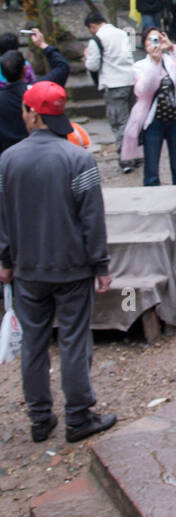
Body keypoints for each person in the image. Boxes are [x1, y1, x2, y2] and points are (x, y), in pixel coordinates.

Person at [0, 80, 116, 443]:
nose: (22, 115)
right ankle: (78, 417)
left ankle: (39, 418)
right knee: (74, 340)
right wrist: (101, 265)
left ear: (35, 115)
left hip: (27, 270)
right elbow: (92, 219)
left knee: (33, 343)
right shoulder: (79, 158)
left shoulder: (7, 160)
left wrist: (5, 260)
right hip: (72, 268)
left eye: (24, 110)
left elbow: (3, 217)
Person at [121, 29, 176, 185]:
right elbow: (145, 90)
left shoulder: (172, 61)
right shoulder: (140, 66)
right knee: (151, 165)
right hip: (152, 120)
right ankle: (151, 191)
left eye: (157, 38)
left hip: (175, 118)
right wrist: (155, 64)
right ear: (144, 44)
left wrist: (172, 47)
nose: (154, 42)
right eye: (150, 39)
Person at [84, 11, 140, 174]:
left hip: (113, 83)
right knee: (132, 120)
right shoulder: (123, 33)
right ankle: (137, 154)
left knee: (120, 122)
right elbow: (130, 55)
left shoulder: (97, 39)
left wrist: (86, 58)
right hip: (130, 80)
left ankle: (125, 158)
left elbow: (93, 65)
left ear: (91, 26)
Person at [0, 30, 69, 155]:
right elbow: (62, 67)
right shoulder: (40, 90)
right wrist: (42, 44)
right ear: (25, 69)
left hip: (7, 157)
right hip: (43, 153)